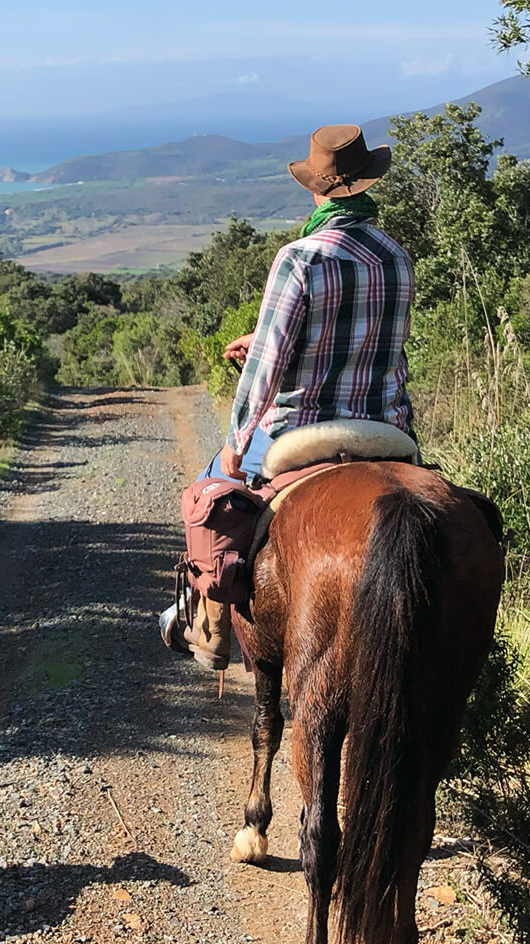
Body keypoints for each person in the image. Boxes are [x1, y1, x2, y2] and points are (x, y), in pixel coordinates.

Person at [163, 123, 417, 669]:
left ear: (315, 187)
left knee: (213, 490)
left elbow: (265, 371)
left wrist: (234, 445)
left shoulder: (299, 258)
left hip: (298, 431)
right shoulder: (397, 257)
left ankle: (208, 628)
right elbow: (375, 341)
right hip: (387, 427)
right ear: (368, 182)